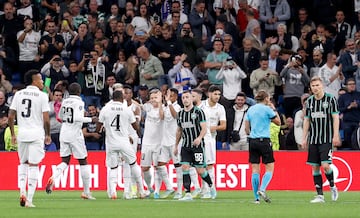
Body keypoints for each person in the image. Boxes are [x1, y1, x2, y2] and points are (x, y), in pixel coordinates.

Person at [45, 83, 98, 200]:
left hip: (64, 132)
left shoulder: (65, 101)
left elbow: (61, 116)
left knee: (65, 161)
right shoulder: (79, 102)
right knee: (83, 161)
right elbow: (77, 118)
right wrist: (91, 119)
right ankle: (86, 192)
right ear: (79, 91)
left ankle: (54, 177)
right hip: (75, 133)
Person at [8, 69, 51, 207]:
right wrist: (48, 134)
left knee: (23, 163)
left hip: (22, 134)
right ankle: (29, 199)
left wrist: (13, 134)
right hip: (36, 134)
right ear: (34, 80)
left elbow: (10, 116)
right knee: (34, 165)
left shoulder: (18, 94)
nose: (42, 81)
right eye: (40, 79)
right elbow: (46, 119)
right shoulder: (42, 95)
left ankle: (22, 191)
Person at [97, 90, 148, 199]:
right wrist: (139, 136)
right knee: (133, 164)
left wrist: (104, 129)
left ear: (112, 98)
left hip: (111, 143)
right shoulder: (127, 109)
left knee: (113, 167)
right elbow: (135, 126)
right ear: (122, 98)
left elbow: (98, 127)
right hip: (124, 141)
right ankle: (142, 191)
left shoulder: (105, 109)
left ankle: (113, 193)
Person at [301, 76, 340, 203]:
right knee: (315, 168)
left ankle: (333, 186)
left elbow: (335, 118)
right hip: (313, 139)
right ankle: (320, 196)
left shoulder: (330, 99)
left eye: (317, 85)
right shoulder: (310, 101)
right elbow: (307, 120)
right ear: (310, 88)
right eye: (313, 86)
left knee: (325, 165)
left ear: (322, 85)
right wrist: (304, 138)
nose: (315, 88)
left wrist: (335, 135)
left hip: (326, 139)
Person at [174, 90, 216, 201]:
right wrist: (175, 145)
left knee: (200, 170)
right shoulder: (181, 114)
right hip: (185, 146)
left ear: (192, 99)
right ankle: (187, 193)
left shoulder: (198, 112)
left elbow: (204, 128)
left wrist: (199, 138)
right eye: (183, 98)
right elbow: (179, 131)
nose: (185, 99)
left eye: (187, 97)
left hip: (197, 146)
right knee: (185, 167)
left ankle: (211, 186)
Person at [244, 90, 280, 204]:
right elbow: (278, 122)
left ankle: (256, 199)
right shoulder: (267, 109)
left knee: (255, 170)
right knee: (270, 167)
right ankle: (262, 189)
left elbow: (246, 128)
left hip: (253, 141)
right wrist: (273, 108)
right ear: (265, 99)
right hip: (264, 140)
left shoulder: (250, 109)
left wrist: (252, 134)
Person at [337, 78, 360, 150]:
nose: (352, 86)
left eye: (353, 84)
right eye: (350, 84)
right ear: (346, 86)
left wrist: (357, 105)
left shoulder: (359, 94)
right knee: (348, 140)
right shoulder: (343, 97)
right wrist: (348, 107)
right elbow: (339, 109)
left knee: (357, 140)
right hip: (347, 122)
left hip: (358, 121)